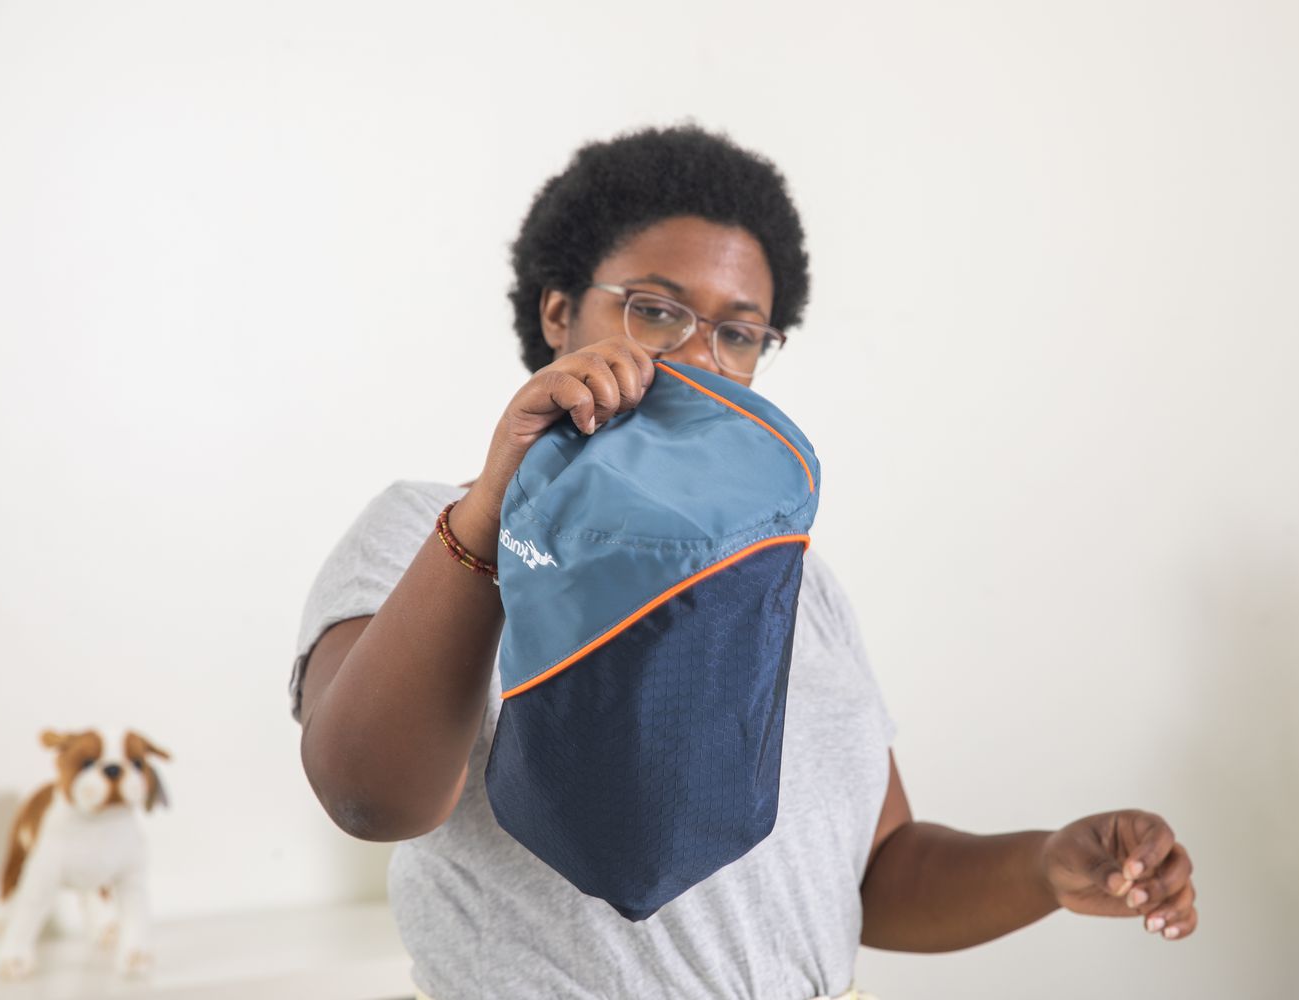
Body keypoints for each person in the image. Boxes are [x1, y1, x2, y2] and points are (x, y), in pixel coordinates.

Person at [289, 123, 1198, 1000]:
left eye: (739, 332)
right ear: (560, 311)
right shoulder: (431, 528)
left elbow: (876, 872)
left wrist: (1044, 867)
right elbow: (373, 801)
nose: (698, 357)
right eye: (655, 310)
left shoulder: (785, 575)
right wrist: (495, 508)